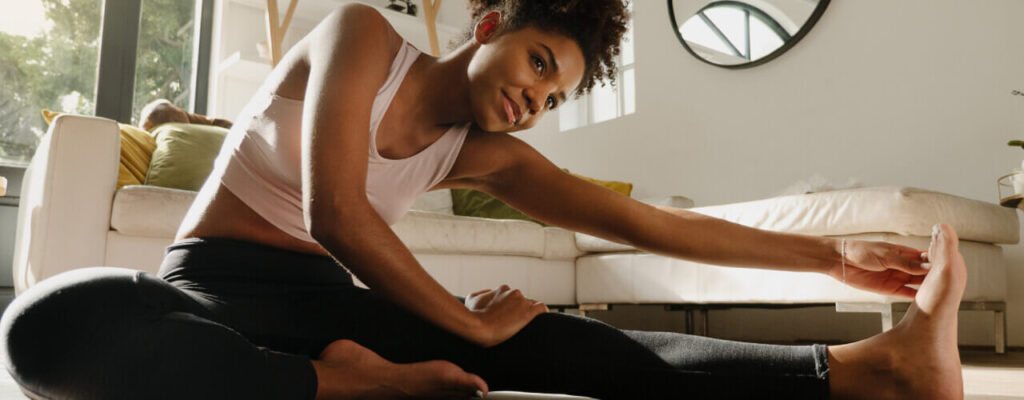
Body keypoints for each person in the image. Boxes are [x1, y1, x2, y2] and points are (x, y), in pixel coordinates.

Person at [0, 1, 966, 399]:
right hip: (210, 285)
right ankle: (350, 387)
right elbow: (339, 212)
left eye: (552, 99)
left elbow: (652, 223)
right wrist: (460, 322)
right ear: (492, 23)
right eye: (537, 63)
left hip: (329, 312)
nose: (532, 101)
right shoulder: (362, 38)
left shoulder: (489, 154)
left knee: (565, 338)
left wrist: (830, 260)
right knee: (44, 326)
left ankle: (861, 370)